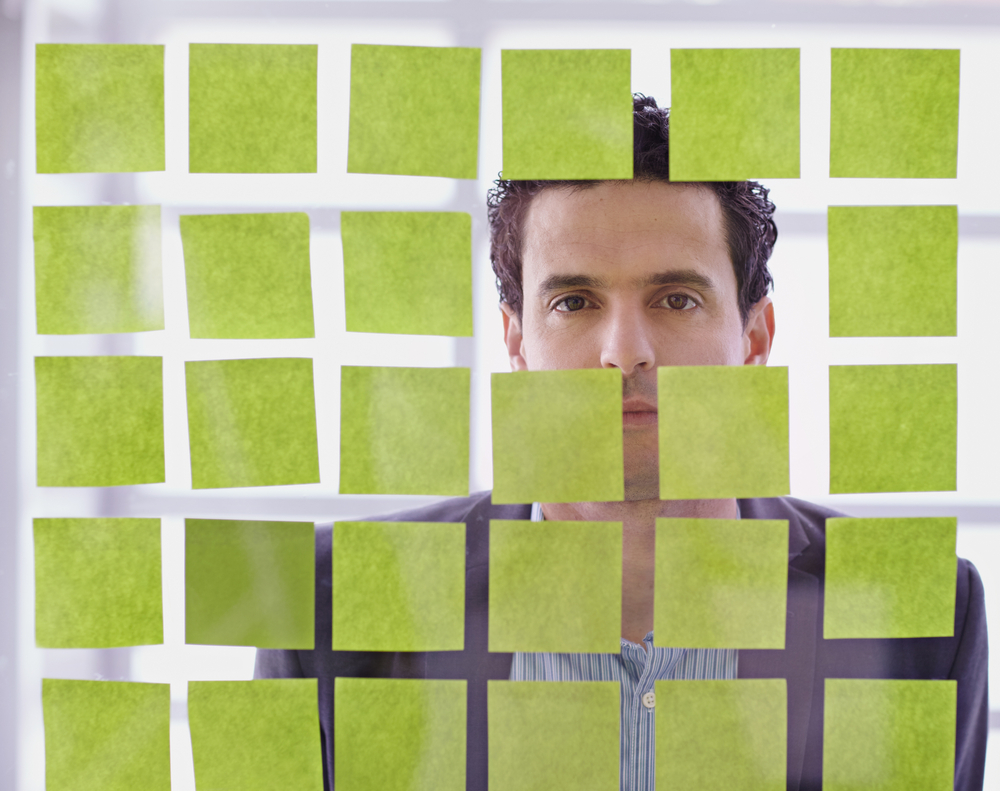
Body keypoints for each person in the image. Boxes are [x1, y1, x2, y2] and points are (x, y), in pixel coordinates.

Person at [255, 95, 988, 790]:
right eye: (574, 302)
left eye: (676, 299)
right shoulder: (329, 605)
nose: (624, 350)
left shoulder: (915, 609)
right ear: (518, 342)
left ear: (754, 337)